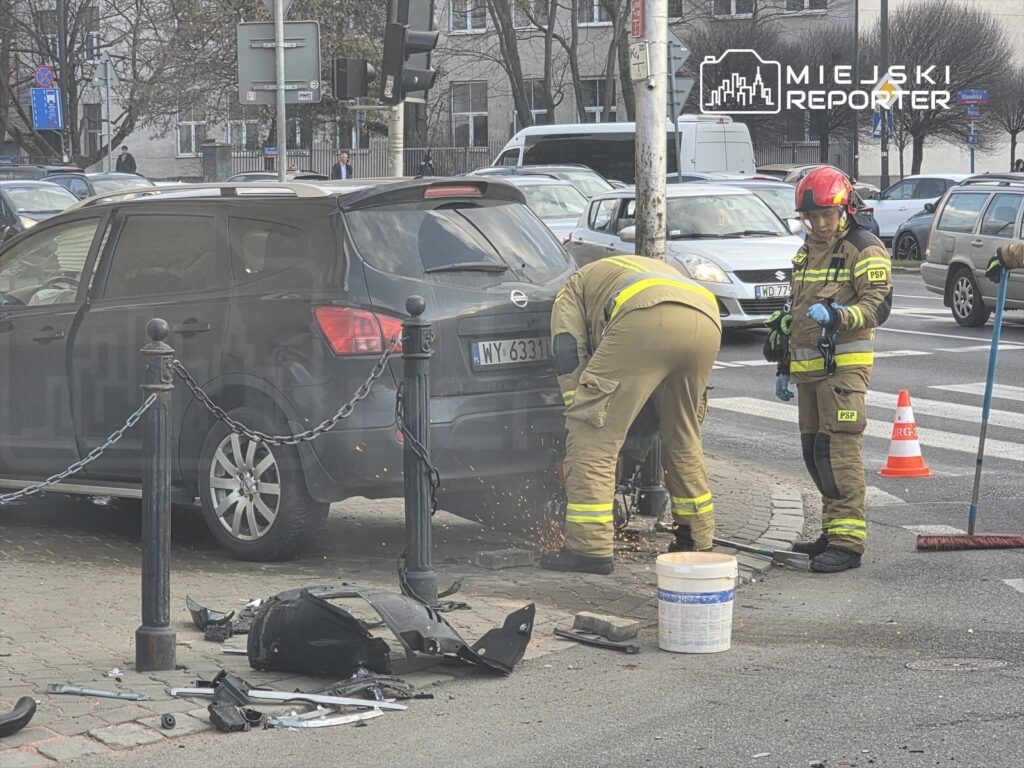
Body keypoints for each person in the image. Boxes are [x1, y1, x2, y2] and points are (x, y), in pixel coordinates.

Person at [539, 255, 722, 574]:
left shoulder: (571, 288)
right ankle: (696, 538)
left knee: (592, 438)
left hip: (646, 316)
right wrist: (633, 454)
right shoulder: (620, 271)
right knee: (683, 438)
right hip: (706, 316)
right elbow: (642, 402)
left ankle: (588, 548)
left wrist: (579, 410)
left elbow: (567, 351)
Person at [773, 166, 893, 574]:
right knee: (815, 453)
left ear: (844, 210)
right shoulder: (807, 251)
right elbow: (799, 314)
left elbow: (878, 306)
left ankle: (848, 543)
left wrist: (839, 315)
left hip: (844, 369)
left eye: (826, 215)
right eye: (811, 217)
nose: (819, 223)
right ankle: (831, 531)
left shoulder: (863, 247)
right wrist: (784, 362)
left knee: (837, 450)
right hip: (811, 372)